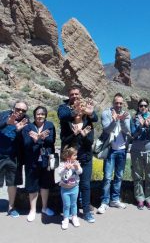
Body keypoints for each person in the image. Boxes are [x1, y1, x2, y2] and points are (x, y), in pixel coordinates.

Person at [58, 85, 98, 223]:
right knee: (67, 183)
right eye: (72, 94)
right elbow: (62, 116)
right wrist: (76, 111)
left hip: (85, 156)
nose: (74, 96)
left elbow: (95, 118)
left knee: (85, 184)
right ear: (69, 95)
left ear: (80, 95)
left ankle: (86, 211)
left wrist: (90, 113)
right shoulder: (64, 109)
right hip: (69, 157)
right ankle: (66, 212)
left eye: (77, 94)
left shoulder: (87, 120)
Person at [97, 93, 131, 214]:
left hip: (122, 149)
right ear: (113, 103)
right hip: (110, 149)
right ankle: (104, 202)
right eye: (116, 103)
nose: (119, 105)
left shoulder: (126, 114)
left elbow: (128, 131)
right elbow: (106, 129)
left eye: (121, 103)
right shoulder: (106, 113)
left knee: (119, 176)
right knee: (107, 177)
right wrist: (115, 120)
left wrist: (121, 121)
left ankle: (115, 199)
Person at [22, 106, 56, 222]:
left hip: (46, 161)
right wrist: (37, 140)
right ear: (34, 115)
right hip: (32, 161)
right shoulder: (28, 127)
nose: (40, 116)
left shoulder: (50, 125)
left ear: (45, 115)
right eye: (38, 114)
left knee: (45, 185)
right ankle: (32, 210)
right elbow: (26, 144)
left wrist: (38, 139)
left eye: (42, 114)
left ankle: (44, 208)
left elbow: (51, 141)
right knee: (32, 185)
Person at [0, 100, 29, 217]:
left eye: (23, 110)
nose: (20, 112)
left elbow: (26, 139)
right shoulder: (3, 115)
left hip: (14, 157)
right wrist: (7, 122)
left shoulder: (25, 121)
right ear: (13, 108)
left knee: (12, 184)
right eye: (18, 109)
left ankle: (11, 207)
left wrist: (18, 131)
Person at [130, 98, 150, 210]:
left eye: (145, 106)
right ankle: (140, 199)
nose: (143, 107)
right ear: (138, 107)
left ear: (148, 107)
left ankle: (149, 199)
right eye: (141, 106)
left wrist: (149, 125)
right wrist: (140, 126)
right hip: (136, 150)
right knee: (137, 175)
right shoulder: (134, 118)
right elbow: (133, 134)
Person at [59, 146, 82, 230]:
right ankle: (65, 219)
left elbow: (80, 172)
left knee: (74, 203)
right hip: (65, 189)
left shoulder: (76, 163)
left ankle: (74, 217)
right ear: (69, 157)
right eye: (74, 155)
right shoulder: (62, 164)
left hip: (75, 188)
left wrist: (76, 168)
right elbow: (60, 174)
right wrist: (66, 169)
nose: (76, 157)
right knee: (66, 205)